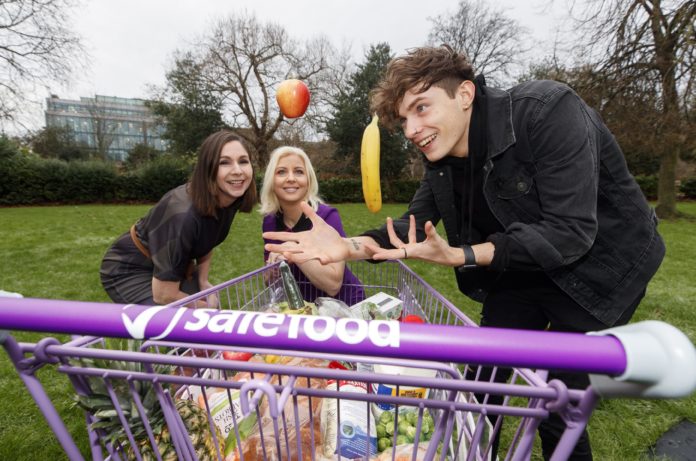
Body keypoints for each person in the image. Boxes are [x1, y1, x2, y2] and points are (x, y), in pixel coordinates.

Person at [263, 46, 665, 460]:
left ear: (465, 94)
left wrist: (464, 254)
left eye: (422, 107)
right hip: (519, 269)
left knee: (558, 401)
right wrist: (347, 247)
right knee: (481, 385)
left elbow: (571, 231)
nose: (412, 129)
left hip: (597, 270)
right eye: (404, 119)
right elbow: (407, 229)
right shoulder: (441, 162)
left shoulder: (547, 111)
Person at [100, 130, 257, 307]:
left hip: (174, 266)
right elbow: (164, 295)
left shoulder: (229, 199)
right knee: (180, 327)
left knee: (203, 319)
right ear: (208, 169)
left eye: (243, 161)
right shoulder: (183, 215)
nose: (238, 171)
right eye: (224, 163)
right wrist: (209, 310)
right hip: (128, 270)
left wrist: (203, 281)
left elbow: (207, 238)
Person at [260, 146, 365, 306]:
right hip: (304, 309)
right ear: (271, 181)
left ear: (309, 180)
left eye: (299, 172)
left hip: (344, 306)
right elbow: (269, 282)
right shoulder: (270, 221)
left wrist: (292, 251)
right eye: (281, 172)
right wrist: (273, 269)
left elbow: (333, 285)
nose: (290, 178)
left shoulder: (326, 217)